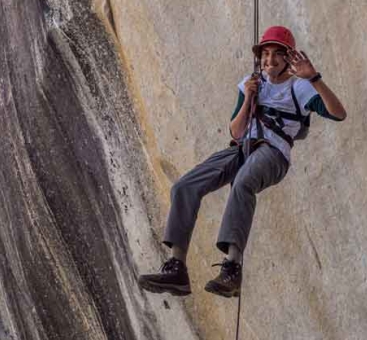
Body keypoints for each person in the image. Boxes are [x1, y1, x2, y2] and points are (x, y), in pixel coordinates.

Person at [138, 26, 347, 298]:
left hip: (273, 153)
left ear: (288, 58)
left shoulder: (301, 88)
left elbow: (339, 113)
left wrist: (315, 78)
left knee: (243, 182)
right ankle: (176, 268)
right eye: (265, 54)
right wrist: (249, 97)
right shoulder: (251, 83)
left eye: (276, 55)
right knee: (185, 187)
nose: (269, 60)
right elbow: (236, 132)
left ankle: (232, 269)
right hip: (242, 147)